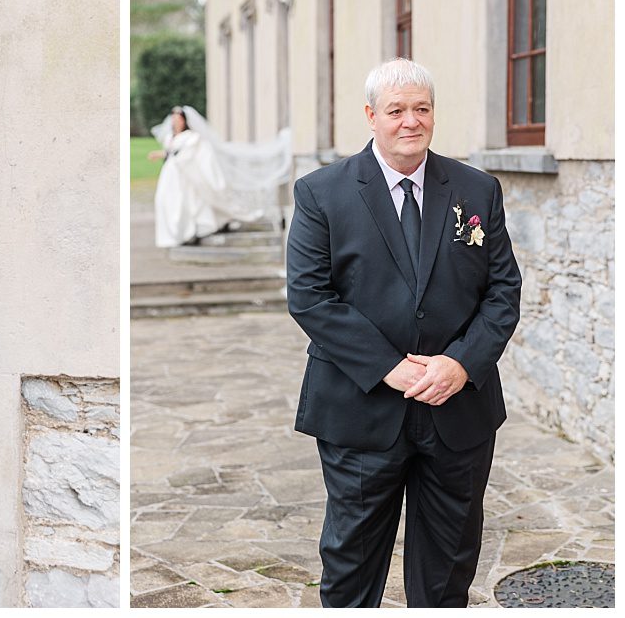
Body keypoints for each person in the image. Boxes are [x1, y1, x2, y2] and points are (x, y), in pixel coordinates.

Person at [285, 58, 521, 607]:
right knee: (351, 563)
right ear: (371, 116)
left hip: (458, 409)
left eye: (421, 109)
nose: (410, 121)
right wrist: (391, 368)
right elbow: (310, 297)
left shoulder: (477, 190)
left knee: (449, 567)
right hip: (360, 410)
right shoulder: (322, 193)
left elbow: (503, 292)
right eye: (396, 111)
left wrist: (460, 365)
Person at [148, 105, 292, 248]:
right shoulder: (171, 137)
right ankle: (175, 234)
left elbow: (190, 157)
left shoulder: (192, 138)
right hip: (172, 176)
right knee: (167, 201)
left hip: (186, 178)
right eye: (174, 119)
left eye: (178, 119)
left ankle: (190, 232)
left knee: (187, 203)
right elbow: (171, 153)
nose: (175, 122)